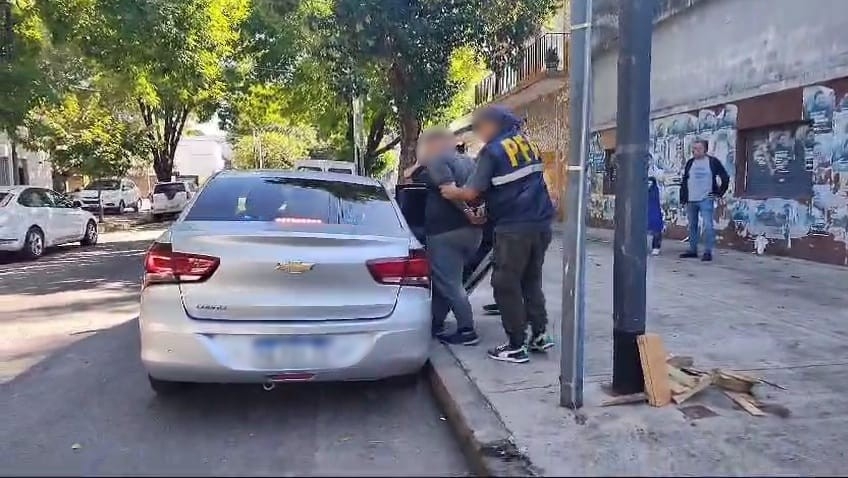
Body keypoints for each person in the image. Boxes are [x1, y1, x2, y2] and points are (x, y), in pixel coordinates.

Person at [441, 105, 555, 364]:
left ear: (494, 124)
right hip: (541, 224)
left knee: (505, 283)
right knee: (530, 281)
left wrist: (452, 192)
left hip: (513, 228)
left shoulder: (492, 151)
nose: (479, 132)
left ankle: (516, 345)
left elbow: (472, 192)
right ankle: (539, 335)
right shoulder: (527, 144)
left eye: (480, 127)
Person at [404, 127, 483, 345]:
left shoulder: (438, 161)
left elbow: (448, 192)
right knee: (445, 281)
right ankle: (435, 322)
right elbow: (411, 176)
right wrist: (475, 215)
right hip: (472, 234)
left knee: (450, 284)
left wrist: (467, 212)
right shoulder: (469, 162)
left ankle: (467, 330)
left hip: (445, 233)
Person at [678, 139, 730, 261]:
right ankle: (693, 250)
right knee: (692, 225)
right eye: (693, 149)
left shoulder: (712, 162)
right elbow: (685, 180)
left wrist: (719, 193)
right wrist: (683, 198)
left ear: (705, 149)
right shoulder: (690, 163)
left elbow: (725, 177)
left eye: (698, 148)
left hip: (705, 199)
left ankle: (708, 251)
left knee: (708, 225)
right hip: (691, 199)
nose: (695, 151)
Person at [648, 176, 663, 255]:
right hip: (653, 210)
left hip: (654, 210)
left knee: (656, 228)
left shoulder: (655, 190)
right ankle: (656, 247)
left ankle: (656, 247)